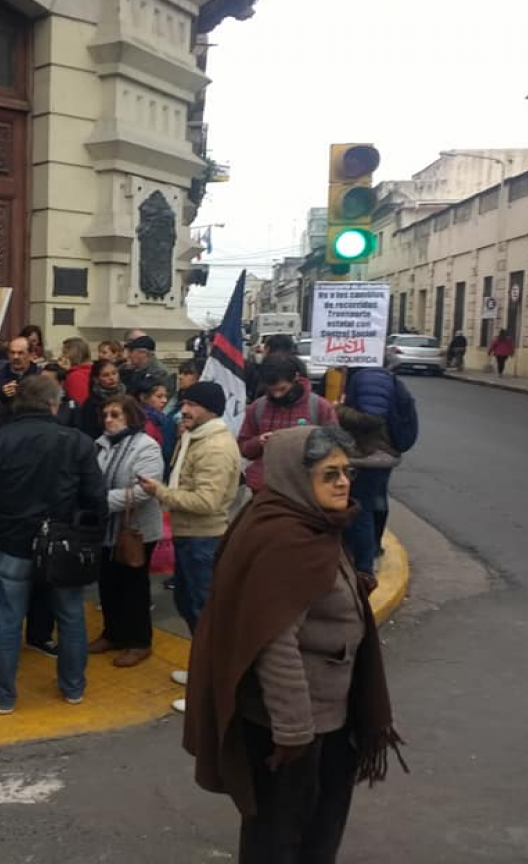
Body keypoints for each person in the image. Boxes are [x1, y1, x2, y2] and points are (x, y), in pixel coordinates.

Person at [182, 426, 404, 863]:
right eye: (330, 474)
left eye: (346, 472)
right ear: (297, 478)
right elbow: (275, 641)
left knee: (316, 827)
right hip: (294, 728)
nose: (343, 482)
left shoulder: (311, 522)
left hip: (329, 715)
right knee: (283, 836)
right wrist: (295, 732)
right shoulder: (285, 538)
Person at [0, 375, 106, 715]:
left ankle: (3, 695)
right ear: (54, 404)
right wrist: (84, 535)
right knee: (71, 616)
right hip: (63, 541)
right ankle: (73, 688)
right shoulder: (78, 441)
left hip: (11, 541)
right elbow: (96, 499)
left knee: (8, 621)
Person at [138, 381, 240, 714]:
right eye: (185, 403)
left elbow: (206, 501)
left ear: (210, 408)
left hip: (204, 539)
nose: (184, 409)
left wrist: (160, 493)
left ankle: (210, 689)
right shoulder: (194, 437)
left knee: (204, 614)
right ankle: (202, 672)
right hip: (189, 537)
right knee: (189, 605)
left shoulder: (214, 448)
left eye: (192, 404)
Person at [90, 396, 164, 668]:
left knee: (133, 586)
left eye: (116, 415)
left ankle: (139, 641)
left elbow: (145, 490)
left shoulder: (147, 447)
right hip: (106, 530)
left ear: (131, 417)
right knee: (108, 584)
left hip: (136, 530)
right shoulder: (101, 445)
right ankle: (113, 634)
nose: (108, 419)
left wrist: (100, 502)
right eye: (106, 414)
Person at [336, 368, 404, 590]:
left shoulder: (368, 378)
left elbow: (372, 417)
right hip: (379, 453)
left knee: (361, 509)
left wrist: (340, 410)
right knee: (375, 501)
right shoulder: (375, 376)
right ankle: (371, 550)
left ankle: (364, 568)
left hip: (372, 456)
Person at [239, 355, 338, 494]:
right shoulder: (257, 407)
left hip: (305, 489)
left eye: (282, 389)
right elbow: (243, 447)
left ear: (295, 378)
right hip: (264, 488)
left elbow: (334, 447)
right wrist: (258, 442)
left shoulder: (319, 406)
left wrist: (304, 445)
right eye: (272, 390)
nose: (277, 395)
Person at [0, 336, 41, 422]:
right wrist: (3, 396)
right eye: (12, 353)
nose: (15, 357)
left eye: (20, 353)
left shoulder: (41, 376)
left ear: (31, 355)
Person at [78, 358, 127, 440]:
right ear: (96, 379)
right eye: (106, 375)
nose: (111, 378)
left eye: (114, 373)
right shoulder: (91, 404)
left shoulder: (128, 396)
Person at [135, 375, 176, 465]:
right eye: (159, 396)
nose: (164, 400)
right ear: (143, 397)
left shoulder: (158, 419)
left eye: (165, 396)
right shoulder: (142, 422)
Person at [60, 337, 93, 404]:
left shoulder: (75, 376)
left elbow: (78, 403)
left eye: (64, 352)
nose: (61, 355)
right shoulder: (92, 369)